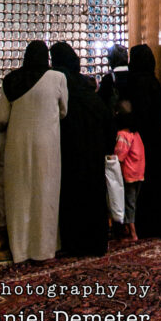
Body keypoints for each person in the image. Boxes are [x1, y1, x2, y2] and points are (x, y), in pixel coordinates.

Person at [0, 40, 68, 263]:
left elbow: (1, 118)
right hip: (47, 146)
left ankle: (20, 250)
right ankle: (44, 250)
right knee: (45, 195)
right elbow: (64, 111)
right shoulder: (58, 78)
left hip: (17, 146)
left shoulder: (11, 80)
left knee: (19, 196)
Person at [50, 41, 112, 256]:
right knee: (93, 194)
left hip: (70, 151)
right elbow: (105, 118)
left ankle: (73, 244)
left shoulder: (59, 84)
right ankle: (95, 243)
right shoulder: (86, 87)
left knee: (72, 196)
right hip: (93, 151)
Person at [128, 43, 161, 237]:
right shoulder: (154, 81)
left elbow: (138, 114)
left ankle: (146, 226)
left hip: (142, 140)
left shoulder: (136, 82)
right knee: (159, 184)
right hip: (158, 138)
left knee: (143, 184)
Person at [114, 99, 146, 241]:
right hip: (139, 172)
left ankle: (133, 233)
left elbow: (119, 156)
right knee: (133, 201)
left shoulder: (123, 135)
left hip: (128, 172)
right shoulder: (136, 133)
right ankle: (129, 228)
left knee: (128, 202)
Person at [98, 43, 130, 112]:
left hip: (115, 119)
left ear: (111, 59)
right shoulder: (135, 75)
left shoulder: (109, 78)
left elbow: (101, 102)